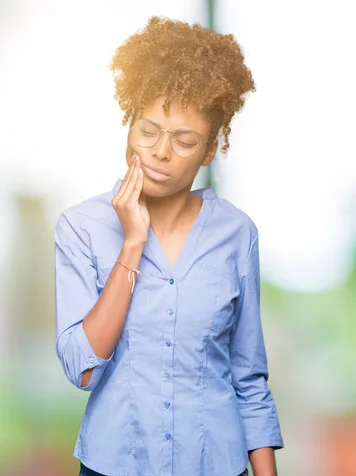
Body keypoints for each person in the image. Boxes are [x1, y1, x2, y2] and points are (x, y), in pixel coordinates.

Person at [54, 16, 284, 476]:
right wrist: (132, 243)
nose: (160, 152)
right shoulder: (81, 227)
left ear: (210, 149)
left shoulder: (237, 234)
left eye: (184, 140)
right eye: (148, 130)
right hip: (112, 465)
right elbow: (83, 370)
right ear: (128, 127)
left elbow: (248, 378)